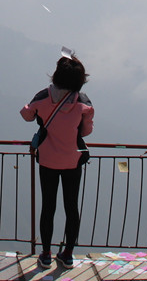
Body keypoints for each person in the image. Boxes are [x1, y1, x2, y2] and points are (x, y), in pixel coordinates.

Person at [21, 54, 94, 269]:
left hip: (48, 160)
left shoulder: (43, 96)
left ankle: (45, 253)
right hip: (73, 159)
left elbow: (26, 115)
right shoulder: (83, 103)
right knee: (71, 206)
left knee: (48, 206)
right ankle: (68, 254)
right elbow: (87, 131)